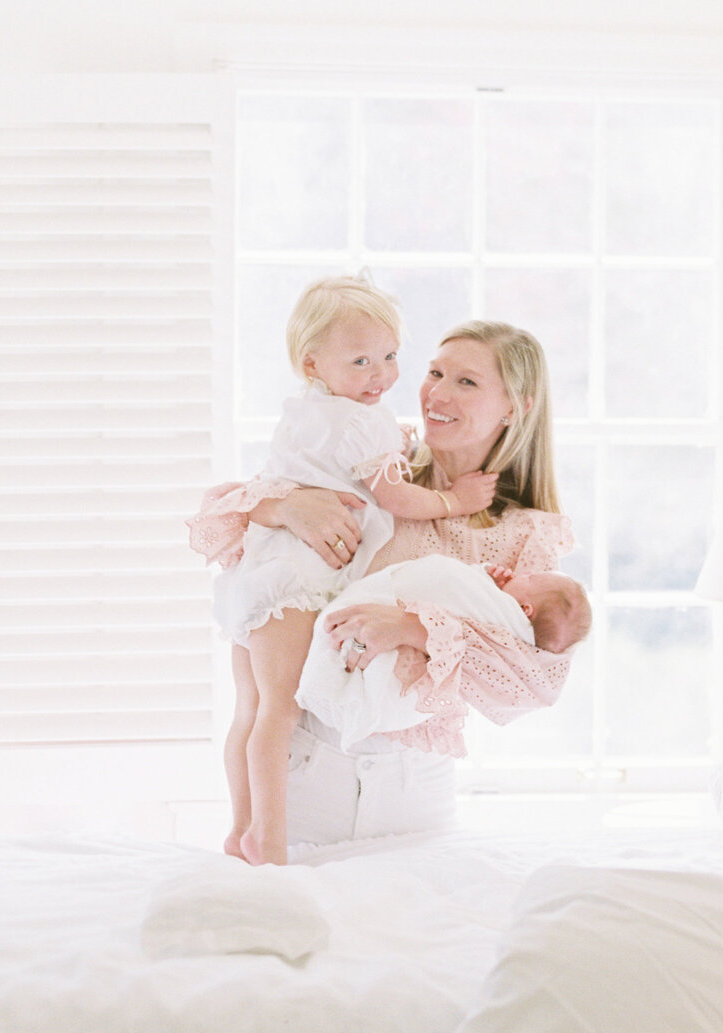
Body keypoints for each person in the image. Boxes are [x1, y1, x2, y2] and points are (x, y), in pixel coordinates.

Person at [190, 318, 576, 856]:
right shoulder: (375, 465)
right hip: (301, 782)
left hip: (412, 797)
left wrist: (415, 629)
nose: (436, 393)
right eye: (435, 372)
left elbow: (529, 682)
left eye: (466, 382)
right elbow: (218, 520)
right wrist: (283, 507)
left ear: (515, 406)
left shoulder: (525, 535)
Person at [211, 275, 498, 865]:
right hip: (298, 582)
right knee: (279, 713)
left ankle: (241, 828)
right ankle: (267, 840)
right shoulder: (365, 424)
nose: (381, 375)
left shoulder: (303, 412)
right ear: (313, 362)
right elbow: (395, 500)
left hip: (257, 576)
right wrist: (455, 502)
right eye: (362, 361)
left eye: (390, 357)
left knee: (251, 710)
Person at [297, 554, 591, 754]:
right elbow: (458, 584)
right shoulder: (506, 600)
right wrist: (488, 578)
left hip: (405, 745)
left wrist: (416, 628)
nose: (520, 573)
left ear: (525, 610)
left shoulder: (516, 638)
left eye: (528, 579)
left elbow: (449, 582)